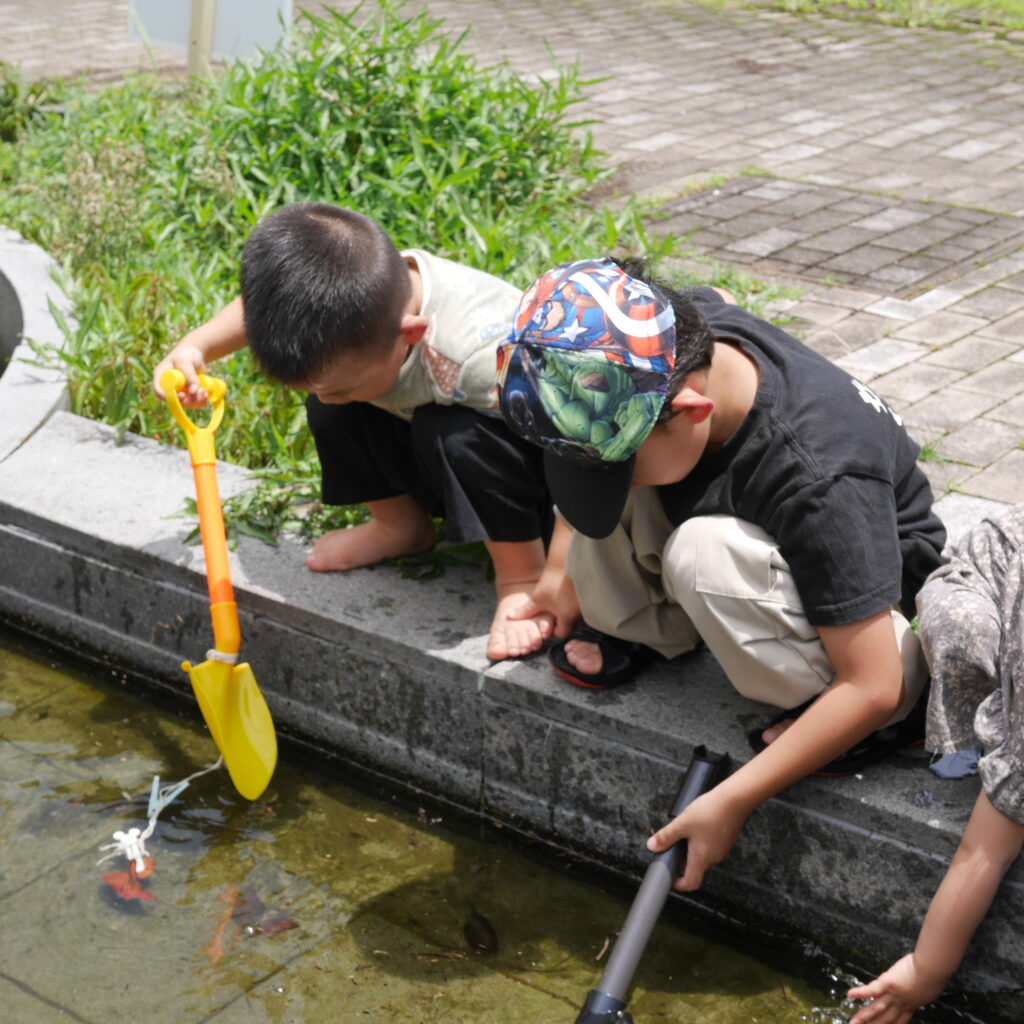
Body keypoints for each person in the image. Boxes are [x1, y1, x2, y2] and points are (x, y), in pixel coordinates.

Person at [497, 255, 946, 891]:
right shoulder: (676, 333)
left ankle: (870, 719)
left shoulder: (819, 472)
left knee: (703, 556)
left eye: (617, 465)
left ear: (691, 409)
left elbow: (871, 682)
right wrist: (554, 576)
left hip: (868, 610)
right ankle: (659, 627)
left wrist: (733, 798)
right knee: (648, 517)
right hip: (754, 523)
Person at [153, 202, 579, 661]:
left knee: (454, 431)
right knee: (334, 412)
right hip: (444, 454)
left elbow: (582, 453)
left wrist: (560, 569)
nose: (331, 395)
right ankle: (400, 528)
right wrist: (193, 347)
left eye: (345, 385)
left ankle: (521, 578)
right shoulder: (356, 302)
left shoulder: (482, 356)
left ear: (411, 334)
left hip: (544, 482)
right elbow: (261, 306)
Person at [846, 505, 1024, 1024]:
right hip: (977, 586)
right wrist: (927, 969)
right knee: (963, 636)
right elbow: (985, 848)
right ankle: (955, 733)